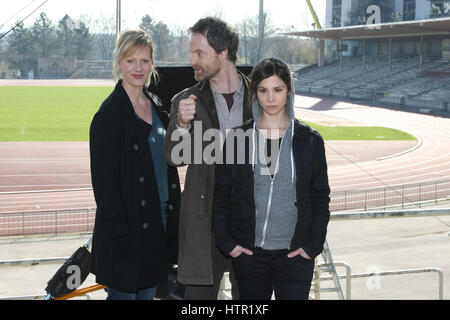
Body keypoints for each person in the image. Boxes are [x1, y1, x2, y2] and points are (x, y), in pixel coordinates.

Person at [213, 57, 330, 300]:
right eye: (263, 90)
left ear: (289, 91)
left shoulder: (309, 140)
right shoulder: (238, 139)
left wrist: (312, 246)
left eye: (278, 89)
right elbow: (222, 195)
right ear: (255, 93)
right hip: (250, 255)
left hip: (296, 255)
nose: (271, 98)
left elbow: (320, 197)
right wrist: (228, 244)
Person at [163, 17, 252, 300]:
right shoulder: (186, 100)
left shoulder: (261, 98)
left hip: (250, 224)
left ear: (223, 52)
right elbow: (173, 158)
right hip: (205, 227)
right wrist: (181, 124)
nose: (192, 61)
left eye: (199, 53)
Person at [89, 29, 180, 300]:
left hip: (158, 226)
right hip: (128, 235)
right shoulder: (108, 115)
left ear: (152, 63)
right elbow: (105, 189)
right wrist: (122, 236)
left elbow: (173, 159)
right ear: (119, 62)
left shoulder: (157, 106)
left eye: (145, 60)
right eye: (131, 61)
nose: (139, 68)